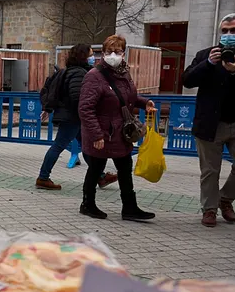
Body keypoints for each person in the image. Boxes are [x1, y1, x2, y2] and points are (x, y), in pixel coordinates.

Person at [78, 35, 156, 221]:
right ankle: (87, 204)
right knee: (96, 168)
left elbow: (127, 97)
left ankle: (129, 207)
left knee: (125, 167)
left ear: (123, 52)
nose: (113, 55)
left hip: (121, 132)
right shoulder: (94, 76)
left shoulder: (124, 73)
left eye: (117, 51)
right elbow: (85, 108)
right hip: (102, 133)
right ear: (102, 53)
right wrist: (97, 135)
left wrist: (144, 103)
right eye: (109, 51)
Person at [182, 13, 235, 227]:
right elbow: (187, 80)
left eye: (233, 30)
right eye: (225, 31)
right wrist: (208, 64)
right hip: (210, 124)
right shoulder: (206, 54)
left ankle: (225, 199)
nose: (228, 35)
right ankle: (209, 209)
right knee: (210, 170)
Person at [35, 44, 95, 190]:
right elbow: (77, 97)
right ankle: (43, 177)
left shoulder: (71, 71)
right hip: (72, 117)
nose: (93, 58)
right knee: (59, 145)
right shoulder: (79, 73)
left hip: (72, 116)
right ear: (83, 56)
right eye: (91, 55)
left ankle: (99, 175)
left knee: (86, 146)